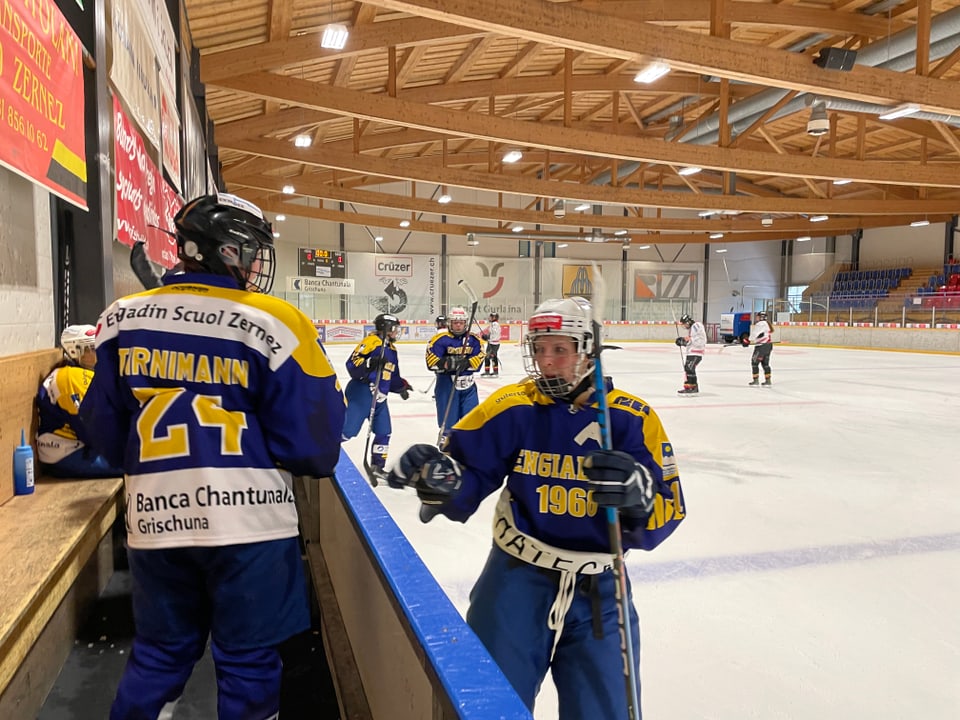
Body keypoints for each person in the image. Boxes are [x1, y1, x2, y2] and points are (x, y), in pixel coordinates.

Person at [80, 193, 345, 720]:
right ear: (227, 252)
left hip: (156, 524)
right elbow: (315, 450)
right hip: (250, 528)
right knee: (248, 667)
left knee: (158, 657)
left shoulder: (121, 319)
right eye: (250, 252)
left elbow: (103, 437)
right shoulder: (275, 320)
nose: (254, 264)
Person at [387, 297, 685, 720]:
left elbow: (669, 508)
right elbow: (468, 473)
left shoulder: (632, 419)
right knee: (486, 709)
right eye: (539, 349)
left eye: (560, 350)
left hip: (600, 593)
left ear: (588, 351)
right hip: (513, 582)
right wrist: (443, 480)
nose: (546, 362)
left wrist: (640, 498)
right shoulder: (515, 405)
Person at [36, 325, 124, 478]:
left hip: (78, 446)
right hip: (66, 453)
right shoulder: (72, 377)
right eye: (92, 347)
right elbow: (92, 431)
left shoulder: (82, 373)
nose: (99, 352)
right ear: (74, 351)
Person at [341, 313, 413, 482]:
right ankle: (323, 452)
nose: (397, 332)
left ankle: (378, 465)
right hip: (362, 392)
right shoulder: (371, 342)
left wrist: (401, 386)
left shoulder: (391, 349)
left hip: (380, 397)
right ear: (386, 329)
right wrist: (369, 365)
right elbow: (351, 365)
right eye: (394, 329)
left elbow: (392, 375)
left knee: (384, 431)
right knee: (348, 430)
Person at [425, 306, 484, 438]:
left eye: (461, 323)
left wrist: (466, 363)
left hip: (468, 388)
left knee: (471, 422)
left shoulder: (474, 340)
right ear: (450, 323)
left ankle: (468, 451)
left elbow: (480, 357)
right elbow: (431, 361)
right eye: (455, 323)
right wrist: (446, 363)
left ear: (466, 323)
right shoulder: (440, 340)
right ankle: (446, 448)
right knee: (448, 425)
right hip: (447, 386)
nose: (458, 326)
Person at [675, 312, 707, 394]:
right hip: (692, 352)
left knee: (689, 368)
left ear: (688, 322)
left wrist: (688, 340)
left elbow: (700, 339)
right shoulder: (692, 328)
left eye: (685, 324)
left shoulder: (696, 326)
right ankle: (690, 387)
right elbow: (692, 340)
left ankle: (692, 387)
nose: (684, 326)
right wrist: (683, 342)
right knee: (688, 368)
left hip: (696, 352)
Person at [747, 310, 775, 386]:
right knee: (765, 364)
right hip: (768, 346)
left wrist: (747, 340)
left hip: (761, 347)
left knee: (754, 363)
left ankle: (755, 381)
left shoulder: (760, 324)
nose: (756, 317)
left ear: (761, 317)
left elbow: (754, 334)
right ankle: (768, 380)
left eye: (757, 316)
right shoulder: (766, 324)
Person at [481, 311, 502, 377]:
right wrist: (487, 336)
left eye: (491, 317)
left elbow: (495, 334)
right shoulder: (493, 324)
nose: (489, 318)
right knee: (488, 357)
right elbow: (493, 333)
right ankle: (488, 371)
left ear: (494, 317)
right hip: (492, 343)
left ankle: (494, 372)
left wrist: (488, 337)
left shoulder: (495, 324)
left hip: (493, 344)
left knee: (491, 357)